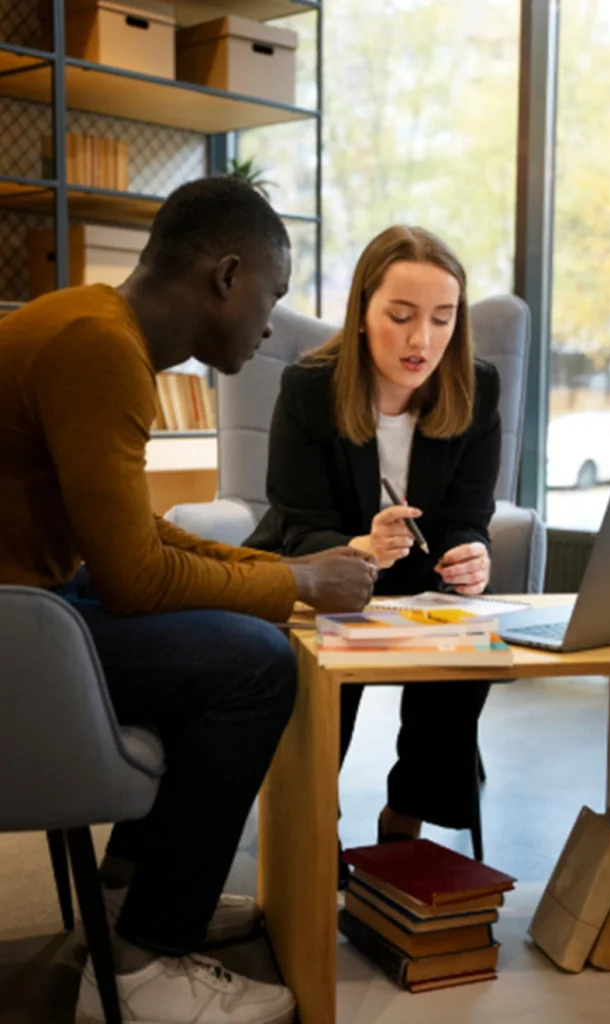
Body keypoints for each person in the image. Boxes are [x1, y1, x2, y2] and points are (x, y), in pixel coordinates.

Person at [0, 177, 377, 1024]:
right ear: (226, 275)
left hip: (30, 604)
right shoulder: (101, 352)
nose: (272, 322)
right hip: (13, 630)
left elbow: (142, 535)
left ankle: (135, 892)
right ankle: (137, 965)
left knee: (228, 630)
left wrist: (281, 576)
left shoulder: (93, 323)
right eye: (271, 295)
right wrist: (296, 584)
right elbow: (136, 582)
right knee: (253, 666)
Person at [246, 225, 501, 873]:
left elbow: (469, 517)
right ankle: (316, 812)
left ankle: (405, 812)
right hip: (321, 567)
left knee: (471, 650)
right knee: (325, 655)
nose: (422, 341)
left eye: (442, 319)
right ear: (363, 312)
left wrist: (472, 555)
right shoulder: (309, 387)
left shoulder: (476, 388)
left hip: (420, 580)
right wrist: (360, 549)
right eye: (400, 316)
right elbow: (299, 522)